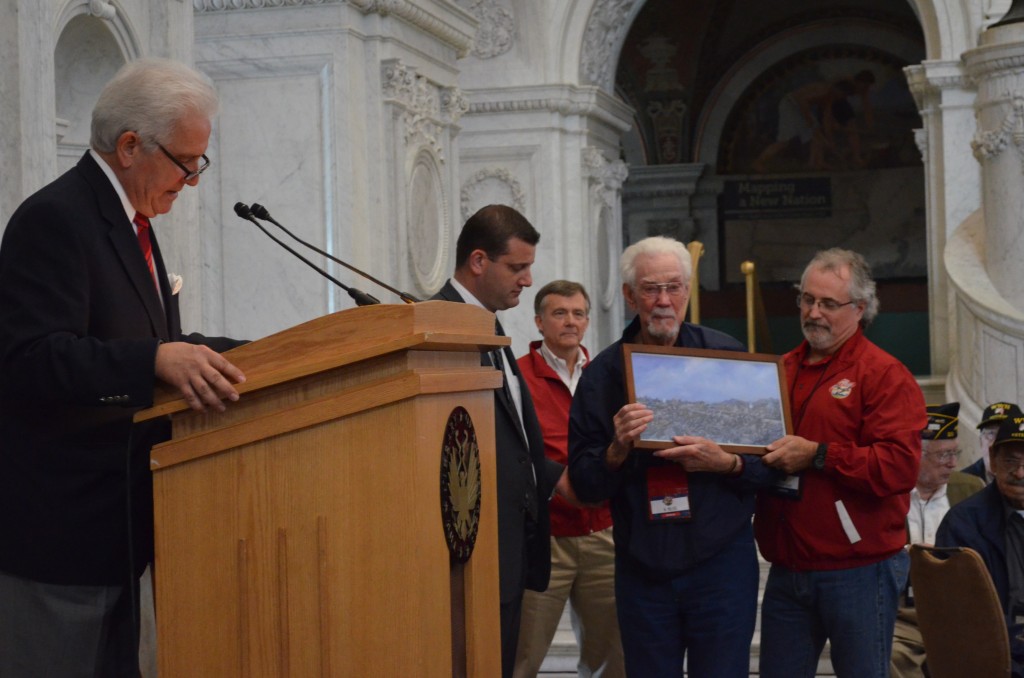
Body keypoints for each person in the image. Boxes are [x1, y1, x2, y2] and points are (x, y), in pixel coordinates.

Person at [0, 58, 247, 676]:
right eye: (186, 163)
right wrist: (156, 358)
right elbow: (30, 359)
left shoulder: (132, 220)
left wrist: (259, 350)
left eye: (199, 164)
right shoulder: (56, 217)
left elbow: (146, 339)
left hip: (122, 534)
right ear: (131, 145)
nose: (193, 181)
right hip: (60, 542)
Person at [568, 236, 777, 677]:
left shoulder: (727, 359)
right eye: (650, 289)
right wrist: (616, 449)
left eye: (674, 287)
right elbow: (585, 487)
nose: (663, 301)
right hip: (642, 567)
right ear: (629, 295)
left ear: (687, 291)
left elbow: (771, 468)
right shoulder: (601, 376)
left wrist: (728, 463)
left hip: (721, 565)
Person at [754, 248, 926, 678]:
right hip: (787, 567)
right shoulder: (780, 370)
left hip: (859, 571)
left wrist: (818, 454)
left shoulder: (884, 374)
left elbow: (900, 466)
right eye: (807, 300)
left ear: (860, 308)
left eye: (829, 303)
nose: (814, 312)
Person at [431, 204, 568, 677]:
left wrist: (558, 478)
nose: (528, 280)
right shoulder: (438, 328)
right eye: (517, 267)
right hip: (469, 560)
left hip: (506, 553)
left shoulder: (488, 324)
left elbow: (508, 441)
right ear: (478, 261)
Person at [513, 281, 624, 678]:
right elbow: (510, 449)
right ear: (539, 321)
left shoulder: (609, 375)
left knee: (612, 660)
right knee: (521, 656)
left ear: (588, 321)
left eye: (578, 314)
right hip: (546, 537)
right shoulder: (516, 377)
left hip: (605, 535)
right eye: (559, 313)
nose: (570, 322)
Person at [890, 402, 986, 677]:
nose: (954, 463)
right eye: (944, 455)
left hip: (959, 613)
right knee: (889, 656)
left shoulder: (969, 489)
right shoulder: (889, 493)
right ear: (915, 454)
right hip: (904, 615)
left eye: (954, 453)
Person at [937, 414, 1024, 676]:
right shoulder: (963, 524)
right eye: (1010, 461)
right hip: (996, 651)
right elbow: (961, 613)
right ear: (993, 463)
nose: (1020, 473)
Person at [963, 402, 1022, 485]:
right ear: (981, 442)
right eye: (991, 434)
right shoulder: (962, 483)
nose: (995, 443)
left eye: (1006, 434)